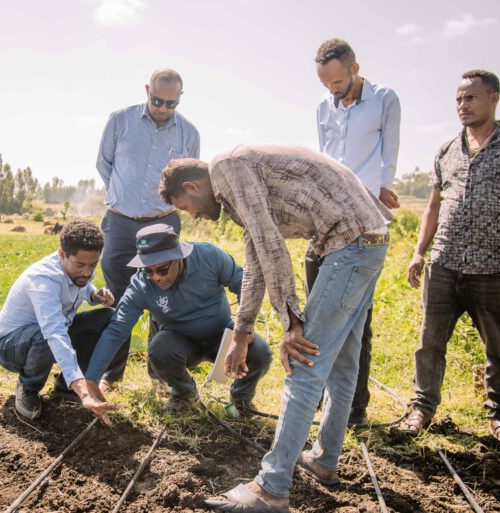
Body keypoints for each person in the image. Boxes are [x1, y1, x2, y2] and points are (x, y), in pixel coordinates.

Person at [159, 146, 392, 512]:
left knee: (303, 362)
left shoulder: (227, 169)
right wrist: (242, 330)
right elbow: (255, 259)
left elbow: (270, 246)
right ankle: (324, 460)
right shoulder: (236, 180)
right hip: (367, 241)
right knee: (343, 364)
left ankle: (271, 487)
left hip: (348, 243)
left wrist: (292, 323)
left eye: (188, 208)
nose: (196, 216)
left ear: (191, 186)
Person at [402, 70, 500, 441]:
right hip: (444, 265)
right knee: (429, 343)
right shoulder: (446, 150)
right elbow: (432, 207)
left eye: (471, 98)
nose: (463, 105)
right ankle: (421, 410)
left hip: (492, 269)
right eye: (459, 99)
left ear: (494, 98)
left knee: (499, 347)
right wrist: (419, 252)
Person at [311, 38, 402, 425]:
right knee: (316, 310)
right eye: (325, 82)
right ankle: (312, 396)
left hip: (365, 220)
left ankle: (354, 407)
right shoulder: (322, 108)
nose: (332, 89)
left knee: (356, 316)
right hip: (327, 218)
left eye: (336, 80)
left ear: (354, 68)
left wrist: (384, 190)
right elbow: (321, 158)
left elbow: (390, 151)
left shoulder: (384, 99)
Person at [87, 223, 272, 411]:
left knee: (259, 352)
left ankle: (241, 401)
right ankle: (185, 395)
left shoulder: (209, 257)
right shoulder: (141, 286)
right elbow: (117, 329)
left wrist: (244, 330)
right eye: (148, 271)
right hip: (179, 343)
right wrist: (91, 379)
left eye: (162, 270)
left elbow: (245, 285)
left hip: (222, 337)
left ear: (179, 257)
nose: (156, 277)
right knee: (159, 350)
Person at [96, 68, 200, 390]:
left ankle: (159, 377)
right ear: (146, 90)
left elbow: (188, 179)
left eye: (171, 103)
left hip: (163, 223)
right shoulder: (120, 120)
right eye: (157, 100)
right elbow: (104, 164)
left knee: (162, 298)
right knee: (117, 299)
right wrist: (123, 197)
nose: (163, 108)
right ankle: (112, 376)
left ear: (179, 98)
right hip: (121, 221)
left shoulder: (188, 133)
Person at [0, 221, 120, 425]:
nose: (87, 271)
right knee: (45, 336)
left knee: (108, 317)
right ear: (61, 254)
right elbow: (54, 332)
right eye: (80, 265)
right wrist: (84, 393)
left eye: (93, 265)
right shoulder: (44, 280)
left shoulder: (82, 267)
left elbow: (82, 285)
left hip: (51, 333)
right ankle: (29, 386)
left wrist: (94, 295)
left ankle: (66, 387)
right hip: (10, 346)